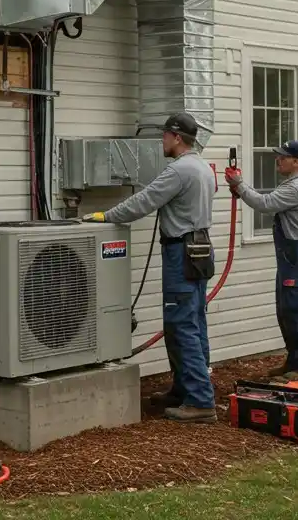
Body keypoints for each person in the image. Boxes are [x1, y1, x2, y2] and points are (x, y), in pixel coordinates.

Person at [81, 113, 218, 423]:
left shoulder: (179, 170)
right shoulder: (202, 168)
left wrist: (107, 216)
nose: (161, 141)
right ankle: (185, 390)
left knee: (182, 325)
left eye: (165, 136)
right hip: (199, 250)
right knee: (192, 321)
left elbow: (144, 201)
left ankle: (199, 400)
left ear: (177, 138)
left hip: (181, 252)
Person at [224, 140, 298, 382]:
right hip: (292, 256)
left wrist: (239, 184)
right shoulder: (291, 184)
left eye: (283, 157)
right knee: (286, 311)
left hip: (297, 256)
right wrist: (240, 188)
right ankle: (295, 362)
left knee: (296, 312)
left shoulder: (297, 188)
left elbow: (264, 204)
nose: (278, 160)